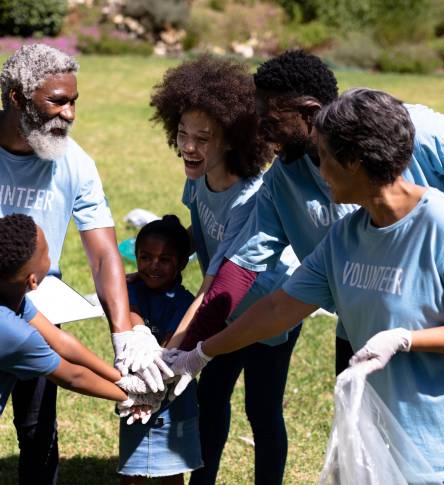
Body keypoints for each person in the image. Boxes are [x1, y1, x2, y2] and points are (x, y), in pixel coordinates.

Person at [171, 89, 444, 484]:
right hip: (378, 454)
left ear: (355, 161)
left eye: (323, 157)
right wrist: (199, 353)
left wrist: (407, 339)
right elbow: (277, 309)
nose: (317, 171)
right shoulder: (344, 238)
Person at [172, 49, 444, 377]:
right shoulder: (293, 190)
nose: (261, 134)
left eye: (270, 122)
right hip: (360, 330)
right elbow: (249, 276)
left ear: (309, 112)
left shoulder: (409, 132)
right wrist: (189, 353)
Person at [0, 44, 169, 485]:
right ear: (17, 98)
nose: (70, 114)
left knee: (38, 430)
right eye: (58, 100)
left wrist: (123, 333)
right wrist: (125, 391)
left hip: (37, 308)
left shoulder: (74, 163)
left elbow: (102, 251)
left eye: (74, 101)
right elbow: (75, 375)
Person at [150, 55, 301, 485]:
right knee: (211, 399)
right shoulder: (197, 177)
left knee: (262, 410)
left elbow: (215, 285)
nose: (189, 147)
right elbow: (198, 240)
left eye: (203, 138)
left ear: (232, 140)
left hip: (268, 313)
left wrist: (172, 351)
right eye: (182, 134)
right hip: (224, 309)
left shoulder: (249, 197)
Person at [0, 213, 158, 417]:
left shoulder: (10, 294)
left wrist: (121, 378)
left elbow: (59, 340)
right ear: (32, 281)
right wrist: (131, 397)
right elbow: (73, 377)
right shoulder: (16, 335)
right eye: (48, 253)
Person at [118, 215, 203, 485]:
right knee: (131, 470)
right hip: (134, 394)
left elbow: (169, 350)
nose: (153, 266)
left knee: (171, 472)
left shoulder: (185, 303)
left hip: (173, 397)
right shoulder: (131, 290)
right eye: (145, 257)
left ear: (180, 263)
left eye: (164, 259)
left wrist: (151, 389)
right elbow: (132, 317)